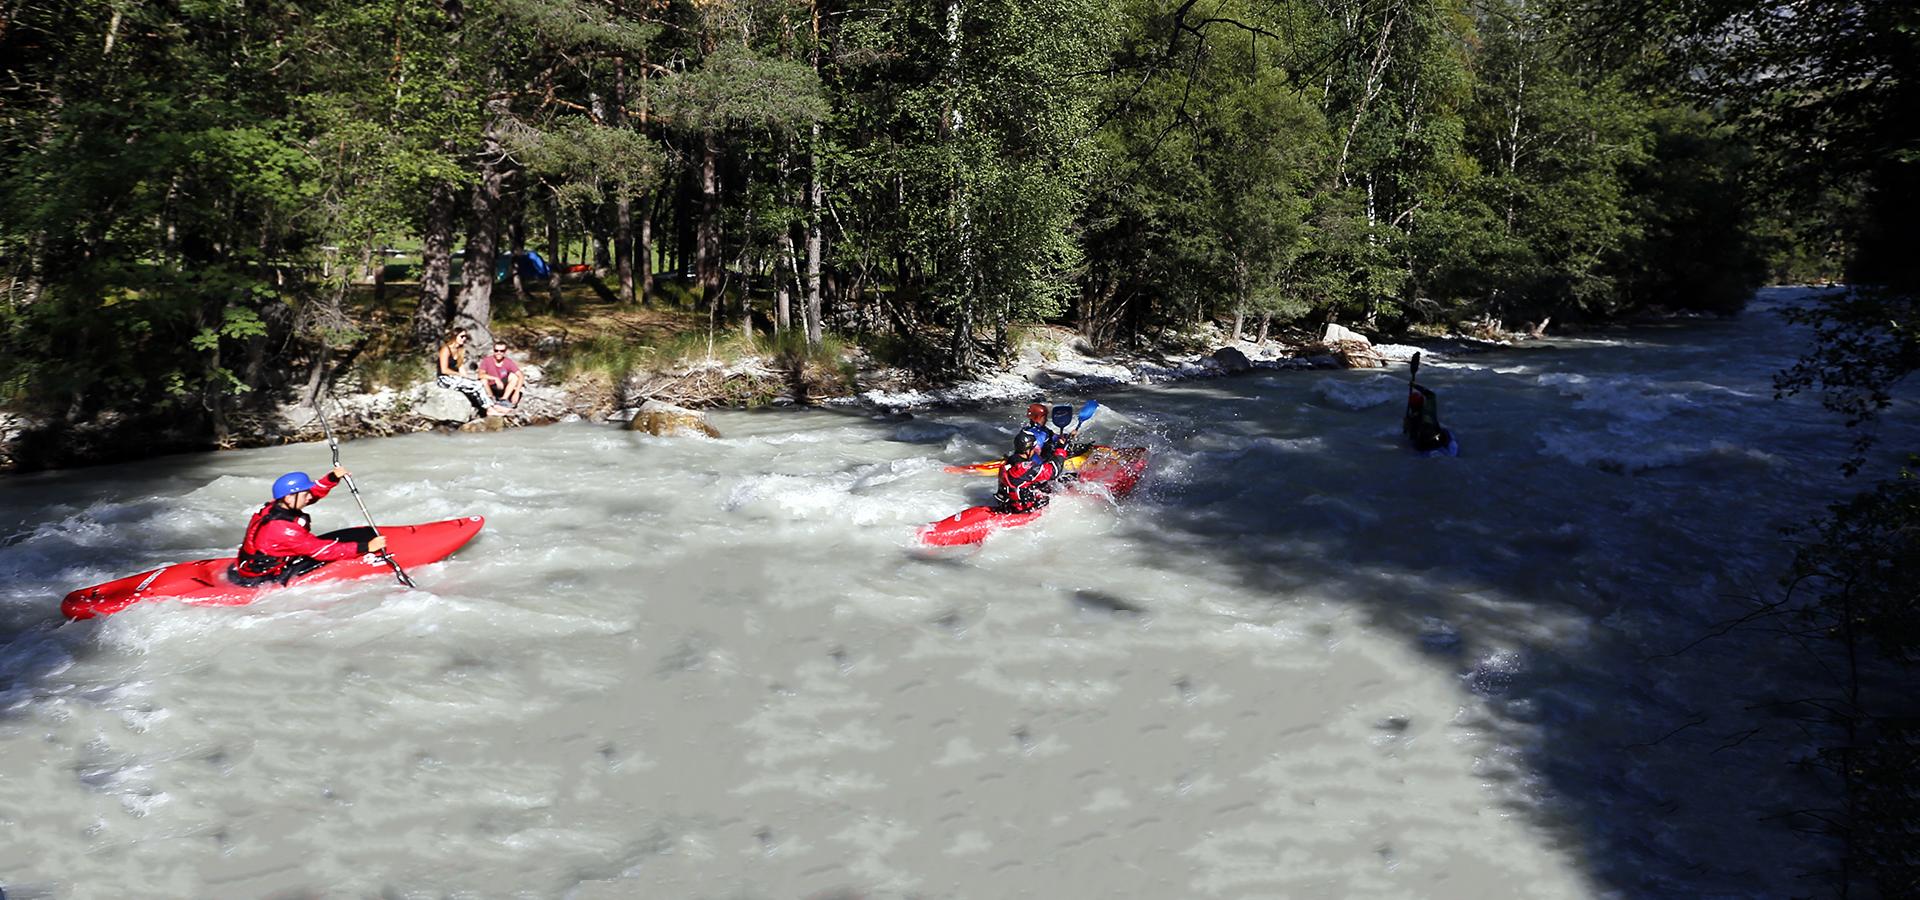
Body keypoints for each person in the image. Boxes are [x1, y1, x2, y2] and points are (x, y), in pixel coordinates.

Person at [230, 468, 388, 586]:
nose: (310, 496)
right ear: (289, 497)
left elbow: (313, 492)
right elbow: (322, 551)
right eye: (306, 494)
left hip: (252, 564)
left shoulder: (275, 507)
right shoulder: (285, 530)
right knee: (332, 554)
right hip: (264, 577)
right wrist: (366, 546)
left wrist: (332, 478)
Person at [994, 429, 1069, 513]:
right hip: (1024, 510)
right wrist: (1061, 449)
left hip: (1008, 504)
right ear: (1027, 450)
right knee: (1065, 484)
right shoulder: (1023, 468)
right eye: (1033, 448)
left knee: (1057, 482)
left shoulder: (1009, 461)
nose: (1035, 451)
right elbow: (1055, 471)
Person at [435, 329, 496, 416]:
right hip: (444, 379)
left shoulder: (460, 350)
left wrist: (466, 377)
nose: (464, 339)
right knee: (477, 385)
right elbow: (444, 370)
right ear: (454, 336)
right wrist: (459, 375)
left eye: (465, 337)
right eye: (462, 336)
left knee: (477, 383)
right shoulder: (445, 349)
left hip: (454, 378)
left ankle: (488, 405)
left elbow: (460, 367)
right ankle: (489, 408)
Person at [1403, 384, 1455, 455]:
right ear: (1422, 402)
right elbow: (1431, 395)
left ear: (1411, 406)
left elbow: (1410, 436)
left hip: (1425, 446)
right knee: (1444, 432)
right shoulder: (1429, 410)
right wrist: (1415, 385)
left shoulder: (1410, 419)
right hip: (1438, 439)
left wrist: (1406, 425)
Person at [478, 340, 524, 409]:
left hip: (502, 387)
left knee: (514, 377)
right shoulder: (487, 361)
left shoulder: (508, 362)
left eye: (501, 351)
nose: (499, 353)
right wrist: (495, 378)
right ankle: (491, 399)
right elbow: (480, 375)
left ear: (505, 352)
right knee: (483, 380)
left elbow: (521, 376)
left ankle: (504, 399)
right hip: (491, 386)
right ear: (493, 350)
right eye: (496, 350)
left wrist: (516, 392)